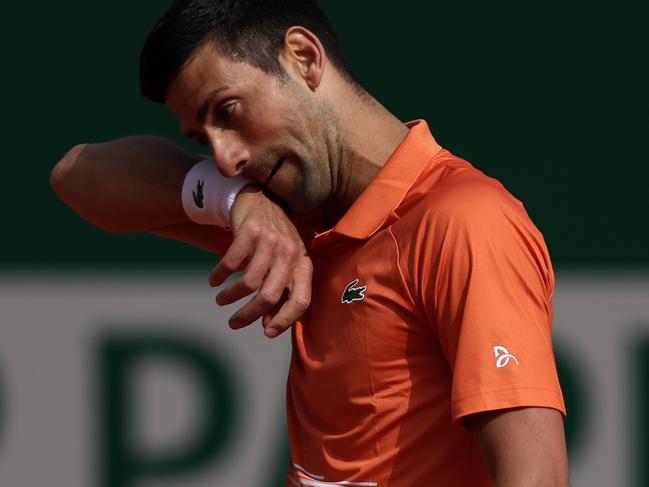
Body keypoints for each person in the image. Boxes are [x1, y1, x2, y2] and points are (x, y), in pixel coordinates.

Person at [50, 0, 569, 485]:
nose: (226, 158)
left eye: (228, 111)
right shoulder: (281, 210)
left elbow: (536, 476)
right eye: (203, 140)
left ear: (303, 57)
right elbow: (77, 177)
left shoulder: (465, 221)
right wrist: (233, 200)